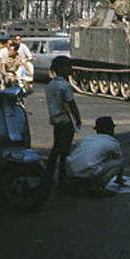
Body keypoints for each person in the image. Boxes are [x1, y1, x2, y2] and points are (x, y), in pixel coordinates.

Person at [45, 56, 82, 185]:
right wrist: (78, 119)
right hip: (66, 122)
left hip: (56, 121)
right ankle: (62, 179)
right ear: (61, 68)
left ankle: (48, 175)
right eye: (68, 67)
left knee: (56, 149)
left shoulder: (50, 85)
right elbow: (72, 105)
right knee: (65, 151)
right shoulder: (65, 85)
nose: (70, 69)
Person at [66, 116, 124, 196]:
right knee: (118, 163)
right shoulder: (112, 142)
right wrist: (119, 179)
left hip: (71, 174)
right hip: (89, 174)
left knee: (93, 160)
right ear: (111, 130)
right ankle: (98, 186)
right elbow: (119, 161)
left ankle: (77, 184)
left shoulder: (86, 139)